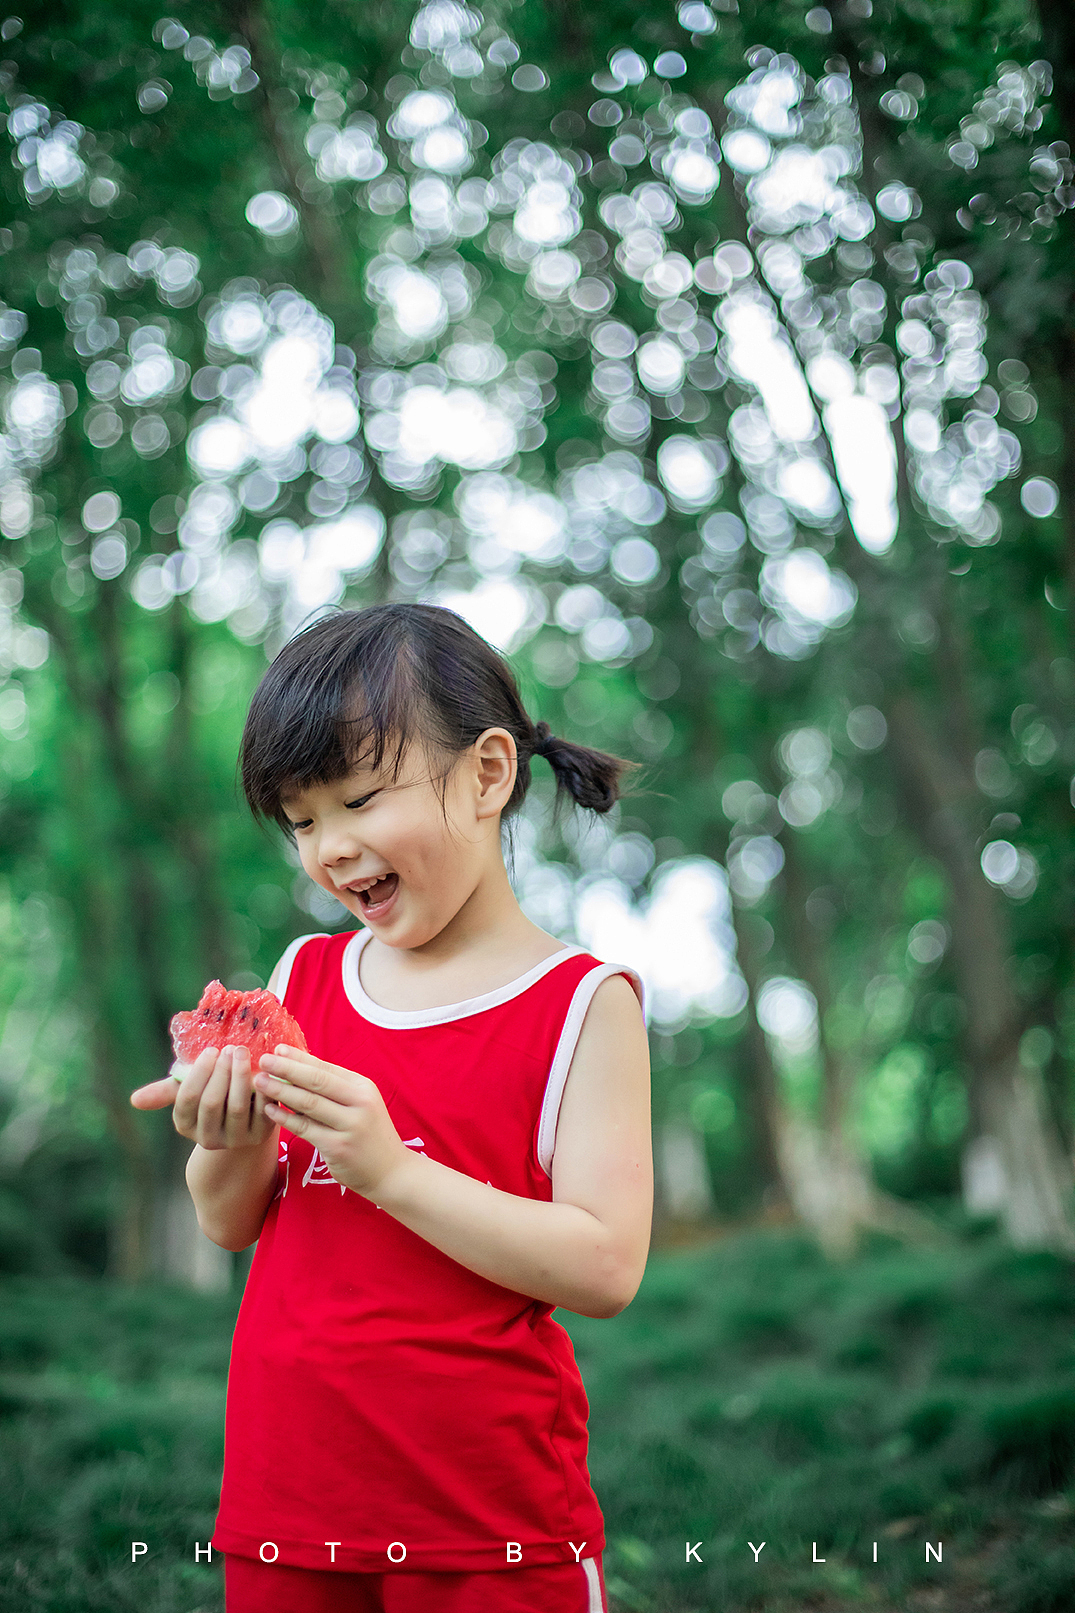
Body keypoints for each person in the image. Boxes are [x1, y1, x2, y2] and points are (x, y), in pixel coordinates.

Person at [131, 602, 652, 1613]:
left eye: (360, 798)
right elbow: (230, 1216)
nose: (331, 846)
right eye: (302, 819)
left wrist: (394, 1170)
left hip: (486, 1526)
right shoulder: (306, 976)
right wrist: (223, 1140)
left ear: (489, 773)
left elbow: (604, 1265)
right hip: (287, 1502)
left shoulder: (580, 1004)